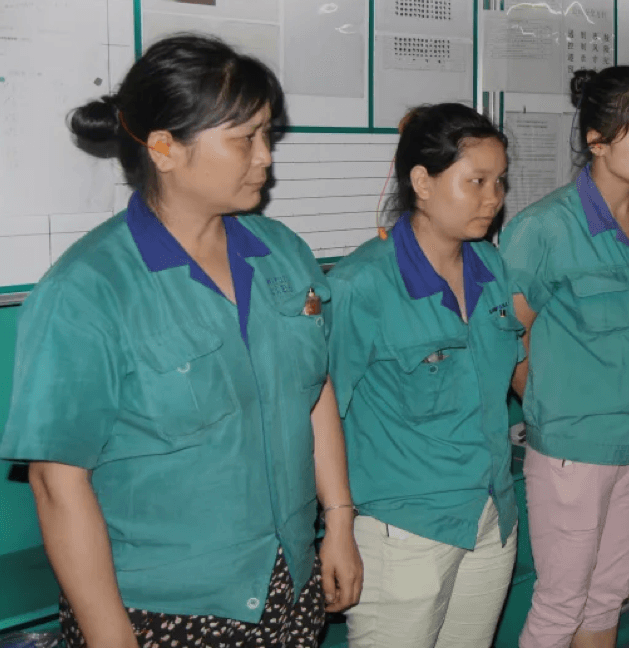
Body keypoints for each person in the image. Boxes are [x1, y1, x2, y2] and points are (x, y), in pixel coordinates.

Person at [0, 34, 363, 648]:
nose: (265, 157)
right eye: (244, 138)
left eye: (267, 135)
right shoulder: (87, 290)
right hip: (163, 610)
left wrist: (340, 521)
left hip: (291, 586)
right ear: (165, 149)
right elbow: (57, 482)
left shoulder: (283, 253)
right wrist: (111, 637)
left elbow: (314, 389)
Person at [326, 104, 523, 648]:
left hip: (490, 515)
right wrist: (335, 526)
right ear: (422, 182)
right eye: (476, 181)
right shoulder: (361, 285)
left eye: (500, 181)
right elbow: (319, 416)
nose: (493, 197)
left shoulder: (491, 267)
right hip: (404, 531)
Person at [501, 66, 629, 648]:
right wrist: (552, 405)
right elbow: (508, 336)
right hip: (572, 451)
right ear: (597, 142)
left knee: (607, 598)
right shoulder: (544, 228)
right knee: (560, 605)